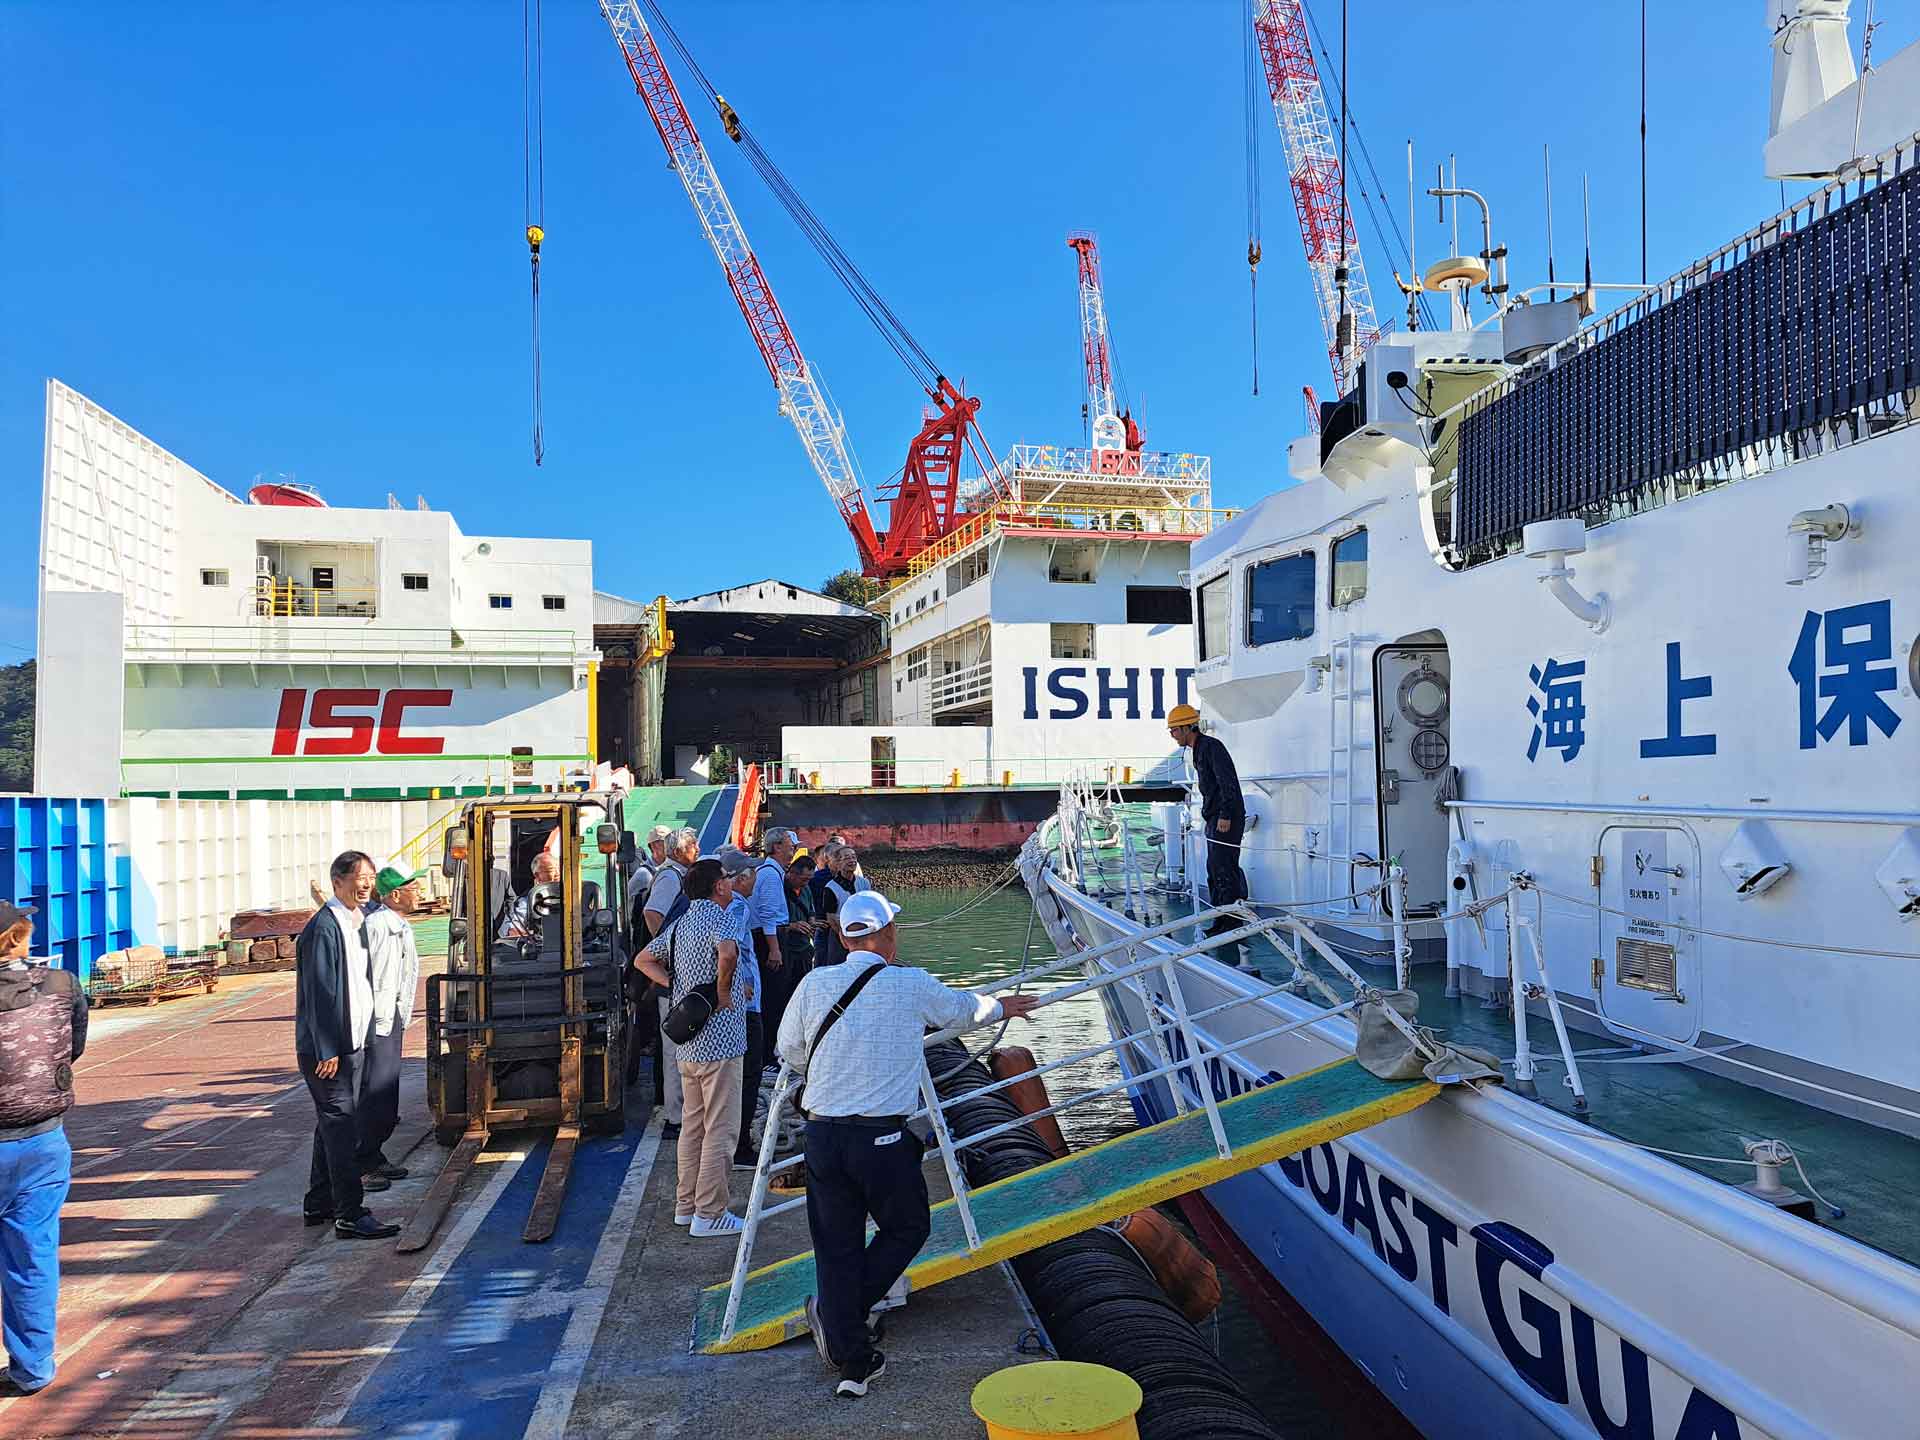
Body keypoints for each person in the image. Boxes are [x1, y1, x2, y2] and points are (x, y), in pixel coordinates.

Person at [778, 890, 1038, 1399]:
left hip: (824, 1134)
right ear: (889, 935)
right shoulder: (909, 983)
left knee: (835, 1245)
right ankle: (840, 1318)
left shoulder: (813, 983)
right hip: (881, 1137)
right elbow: (963, 1012)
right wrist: (1003, 1005)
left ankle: (853, 1358)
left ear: (843, 938)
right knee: (908, 1225)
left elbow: (789, 1049)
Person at [0, 901, 87, 1399]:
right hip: (42, 1139)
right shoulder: (60, 985)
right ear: (16, 939)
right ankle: (32, 1367)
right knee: (32, 1255)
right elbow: (73, 1047)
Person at [634, 858, 748, 1237]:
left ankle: (686, 1206)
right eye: (727, 878)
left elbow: (643, 959)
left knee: (692, 1127)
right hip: (721, 1041)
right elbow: (728, 953)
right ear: (719, 886)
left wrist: (674, 984)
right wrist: (721, 991)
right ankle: (710, 1212)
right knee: (721, 1128)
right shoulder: (721, 917)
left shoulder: (681, 923)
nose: (731, 883)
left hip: (689, 1045)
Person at [296, 852, 399, 1239]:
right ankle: (350, 1213)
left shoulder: (358, 918)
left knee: (333, 1122)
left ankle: (319, 1202)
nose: (367, 883)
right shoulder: (325, 927)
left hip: (351, 1042)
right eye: (359, 877)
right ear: (337, 882)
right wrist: (327, 1048)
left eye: (370, 876)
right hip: (329, 1049)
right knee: (341, 1126)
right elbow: (320, 993)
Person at [357, 864, 423, 1185]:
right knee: (374, 1093)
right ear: (395, 894)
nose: (420, 893)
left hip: (390, 1015)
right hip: (376, 1019)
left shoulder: (398, 925)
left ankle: (373, 1155)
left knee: (386, 1094)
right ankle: (361, 1163)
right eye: (414, 888)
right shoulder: (377, 927)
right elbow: (366, 979)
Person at [1167, 702, 1248, 944]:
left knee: (1224, 869)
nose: (1172, 735)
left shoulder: (1211, 747)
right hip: (1214, 817)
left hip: (1225, 819)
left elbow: (1227, 782)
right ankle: (1220, 920)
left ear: (1186, 728)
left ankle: (1231, 923)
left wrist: (1225, 815)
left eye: (1174, 730)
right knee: (1214, 869)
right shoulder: (1199, 749)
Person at [641, 827, 700, 1129]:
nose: (697, 849)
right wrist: (665, 949)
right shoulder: (670, 877)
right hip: (670, 972)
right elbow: (652, 913)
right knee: (673, 1049)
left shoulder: (679, 875)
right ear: (678, 852)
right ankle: (675, 1116)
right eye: (693, 845)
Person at [749, 829, 798, 1058]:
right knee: (774, 997)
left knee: (773, 996)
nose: (793, 849)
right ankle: (768, 1054)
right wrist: (775, 949)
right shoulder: (770, 874)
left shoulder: (770, 871)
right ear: (777, 846)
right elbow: (768, 914)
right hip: (771, 937)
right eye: (790, 845)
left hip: (771, 935)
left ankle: (768, 1051)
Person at [813, 844, 871, 970]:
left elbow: (869, 907)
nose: (852, 860)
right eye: (847, 858)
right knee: (837, 966)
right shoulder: (830, 887)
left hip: (862, 933)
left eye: (854, 857)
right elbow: (831, 918)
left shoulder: (864, 883)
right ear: (838, 863)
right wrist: (845, 937)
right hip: (839, 935)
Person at [497, 850, 559, 941]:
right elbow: (511, 930)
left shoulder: (571, 895)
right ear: (537, 876)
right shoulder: (526, 901)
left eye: (559, 868)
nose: (557, 873)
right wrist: (536, 939)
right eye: (551, 870)